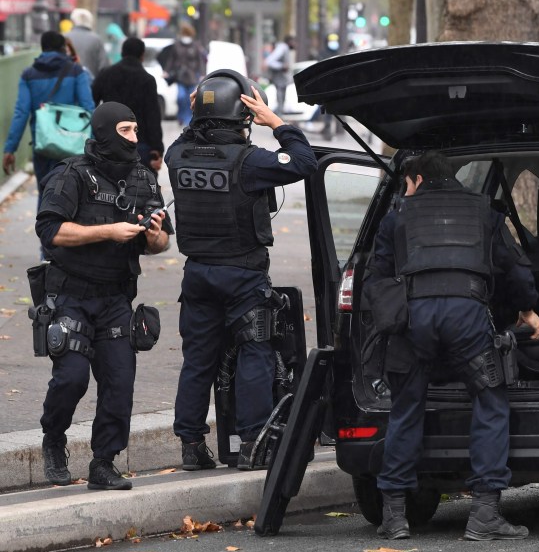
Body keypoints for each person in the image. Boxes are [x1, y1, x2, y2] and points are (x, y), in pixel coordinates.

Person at [367, 151, 539, 541]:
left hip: (413, 320)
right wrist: (526, 311)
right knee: (490, 401)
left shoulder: (396, 220)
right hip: (466, 317)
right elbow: (517, 273)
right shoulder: (486, 214)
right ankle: (483, 514)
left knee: (406, 408)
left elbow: (375, 281)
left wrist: (393, 324)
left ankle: (394, 516)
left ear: (413, 180)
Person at [165, 70, 318, 471]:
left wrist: (200, 106)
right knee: (256, 353)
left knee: (198, 359)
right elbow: (305, 161)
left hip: (197, 276)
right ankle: (252, 444)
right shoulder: (250, 162)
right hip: (243, 276)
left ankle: (191, 446)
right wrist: (278, 122)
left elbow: (187, 134)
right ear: (245, 116)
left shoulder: (176, 156)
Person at [34, 101, 173, 490]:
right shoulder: (72, 174)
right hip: (71, 295)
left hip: (116, 300)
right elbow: (51, 231)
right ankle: (54, 438)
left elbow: (160, 244)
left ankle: (104, 463)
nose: (134, 138)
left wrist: (152, 234)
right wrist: (108, 232)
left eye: (135, 130)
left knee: (119, 383)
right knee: (72, 379)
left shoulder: (144, 178)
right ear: (106, 131)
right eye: (126, 130)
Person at [3, 31, 95, 203]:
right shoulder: (76, 71)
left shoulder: (29, 74)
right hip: (73, 143)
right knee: (72, 196)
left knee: (46, 194)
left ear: (42, 48)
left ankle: (45, 227)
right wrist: (95, 143)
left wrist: (10, 148)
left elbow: (21, 112)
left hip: (43, 144)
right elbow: (89, 108)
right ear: (63, 48)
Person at [92, 37, 164, 173]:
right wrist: (157, 148)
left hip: (108, 140)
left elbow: (92, 103)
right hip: (138, 142)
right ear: (142, 55)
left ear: (122, 52)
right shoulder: (147, 80)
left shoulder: (106, 74)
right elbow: (152, 115)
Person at [161, 24, 207, 126]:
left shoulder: (196, 46)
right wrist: (166, 71)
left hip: (192, 77)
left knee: (189, 99)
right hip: (180, 76)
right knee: (181, 97)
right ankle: (181, 116)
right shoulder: (177, 45)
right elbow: (171, 59)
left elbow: (200, 61)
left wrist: (202, 74)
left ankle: (188, 119)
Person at [65, 8, 111, 79]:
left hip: (67, 83)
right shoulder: (96, 40)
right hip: (90, 84)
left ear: (73, 21)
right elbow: (104, 66)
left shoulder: (64, 37)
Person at [264, 35, 294, 113]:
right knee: (280, 95)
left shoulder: (284, 48)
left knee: (282, 95)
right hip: (279, 77)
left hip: (281, 78)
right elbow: (269, 61)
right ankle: (279, 112)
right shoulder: (283, 47)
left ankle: (280, 111)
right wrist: (281, 66)